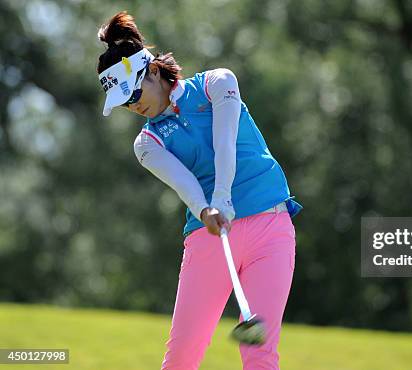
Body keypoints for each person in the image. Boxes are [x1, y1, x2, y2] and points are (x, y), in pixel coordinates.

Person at [96, 11, 303, 370]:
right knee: (181, 358)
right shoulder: (147, 143)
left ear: (155, 72)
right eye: (125, 103)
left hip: (271, 226)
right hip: (211, 237)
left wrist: (223, 196)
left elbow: (225, 142)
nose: (134, 106)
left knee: (259, 352)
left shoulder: (218, 83)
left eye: (135, 94)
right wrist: (206, 208)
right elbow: (186, 185)